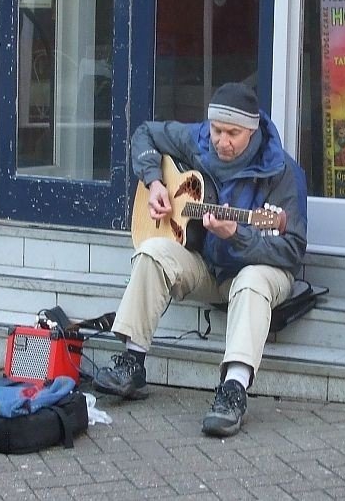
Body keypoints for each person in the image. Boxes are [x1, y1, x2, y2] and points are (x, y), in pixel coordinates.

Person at [93, 82, 308, 437]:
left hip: (261, 273)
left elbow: (292, 250)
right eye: (217, 130)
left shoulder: (282, 171)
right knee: (151, 252)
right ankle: (132, 362)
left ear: (252, 131)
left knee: (253, 279)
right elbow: (145, 133)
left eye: (233, 134)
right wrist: (154, 182)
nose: (222, 141)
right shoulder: (199, 140)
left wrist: (236, 233)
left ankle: (233, 390)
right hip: (209, 266)